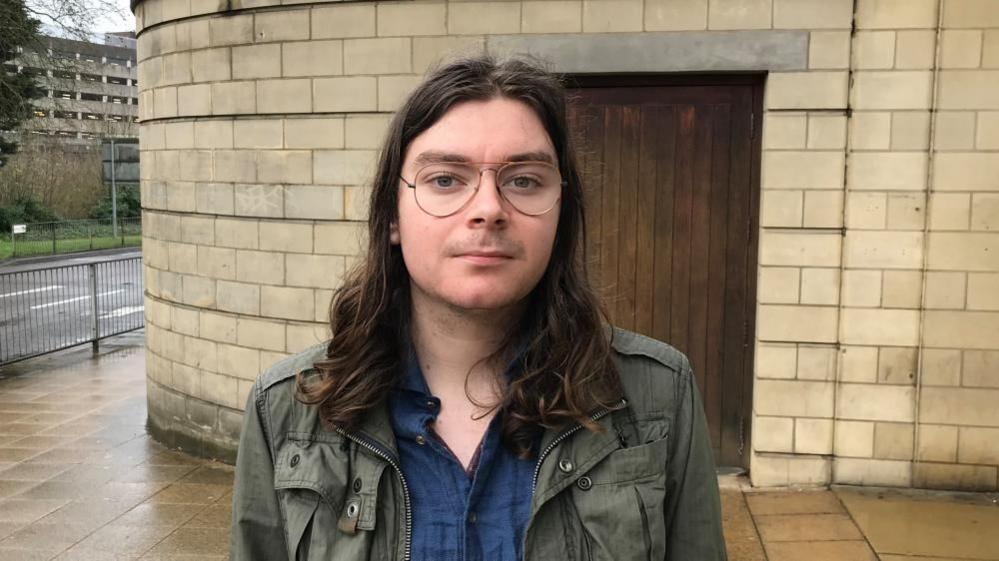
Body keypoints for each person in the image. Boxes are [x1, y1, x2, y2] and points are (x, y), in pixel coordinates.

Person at [230, 55, 727, 561]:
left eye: (524, 180)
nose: (489, 208)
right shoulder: (289, 407)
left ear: (561, 215)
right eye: (445, 179)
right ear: (391, 218)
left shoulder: (658, 393)